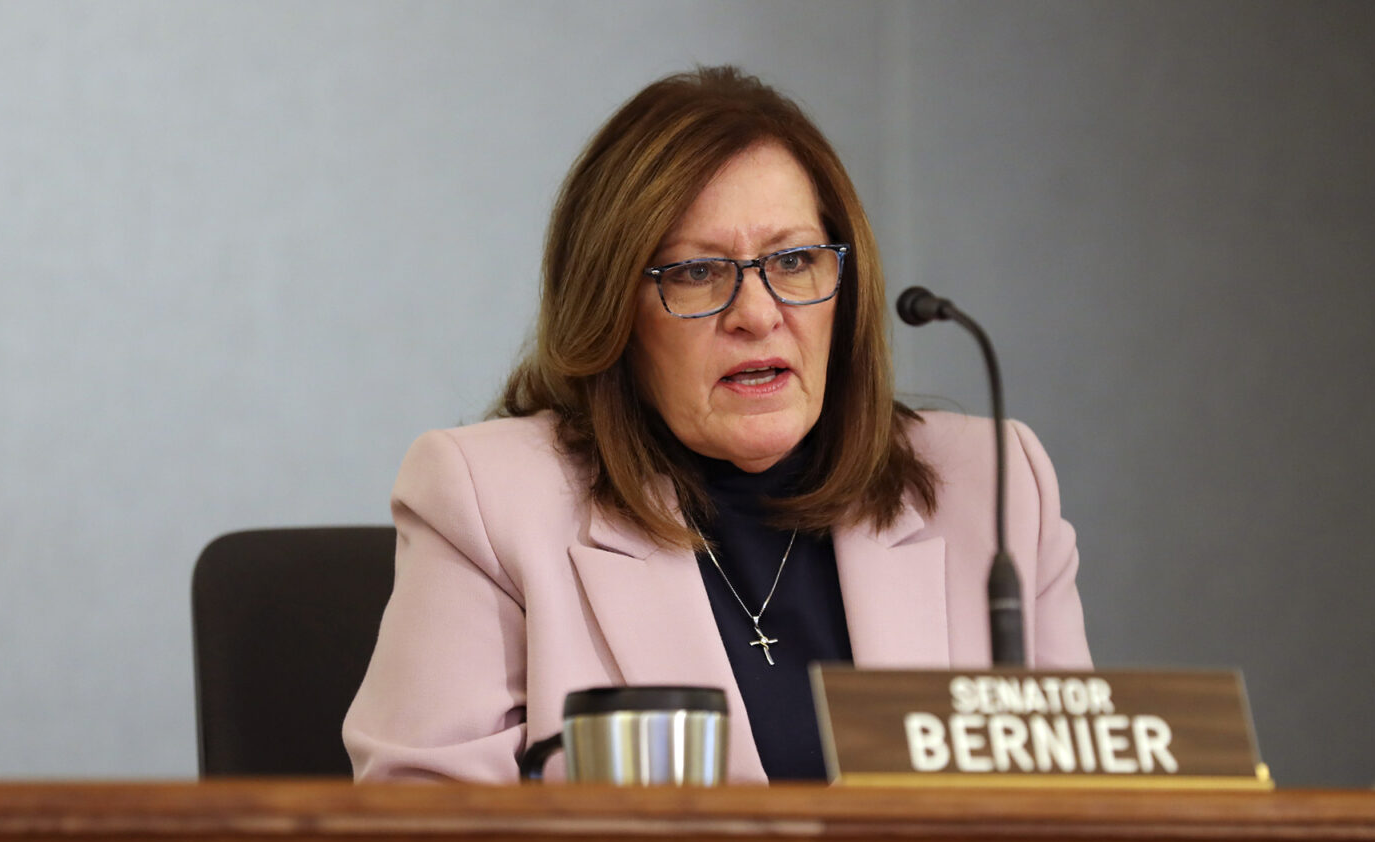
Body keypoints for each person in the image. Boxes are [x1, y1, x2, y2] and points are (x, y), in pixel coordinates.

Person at [343, 66, 1090, 784]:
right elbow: (423, 830)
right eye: (698, 273)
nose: (759, 314)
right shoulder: (490, 502)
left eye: (794, 260)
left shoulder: (992, 488)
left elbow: (1092, 813)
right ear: (612, 311)